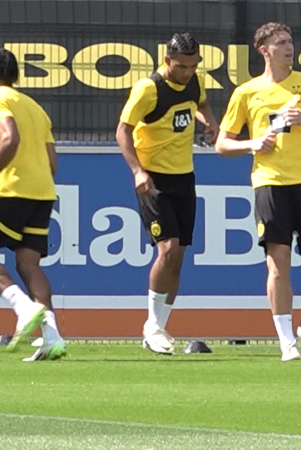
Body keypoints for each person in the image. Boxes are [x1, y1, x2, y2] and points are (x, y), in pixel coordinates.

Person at [215, 22, 301, 361]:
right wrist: (254, 143)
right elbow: (222, 144)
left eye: (290, 41)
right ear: (264, 50)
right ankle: (287, 341)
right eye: (280, 42)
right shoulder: (247, 92)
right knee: (278, 263)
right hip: (270, 183)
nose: (288, 47)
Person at [115, 33, 218, 355]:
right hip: (154, 178)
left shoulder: (195, 81)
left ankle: (160, 327)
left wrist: (210, 124)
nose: (186, 71)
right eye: (180, 65)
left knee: (178, 257)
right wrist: (138, 172)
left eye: (192, 65)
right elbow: (122, 130)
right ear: (166, 60)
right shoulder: (148, 89)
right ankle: (151, 326)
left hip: (184, 177)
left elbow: (199, 103)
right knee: (168, 247)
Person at [0, 48, 66, 362]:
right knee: (29, 264)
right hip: (42, 193)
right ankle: (52, 337)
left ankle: (25, 309)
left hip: (11, 191)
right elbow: (52, 162)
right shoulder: (36, 108)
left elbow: (9, 137)